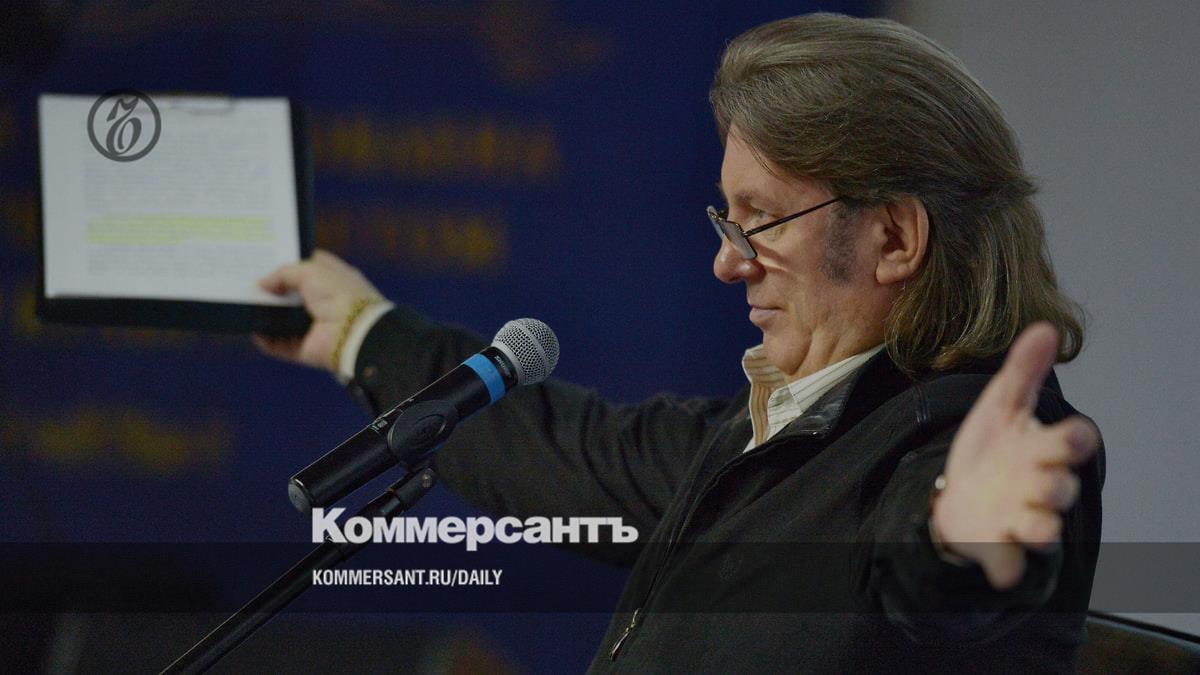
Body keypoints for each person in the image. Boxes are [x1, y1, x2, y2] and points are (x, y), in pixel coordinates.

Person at [255, 13, 1103, 673]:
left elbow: (933, 577)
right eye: (727, 219)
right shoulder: (773, 436)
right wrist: (358, 329)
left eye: (762, 219)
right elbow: (564, 453)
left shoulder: (974, 447)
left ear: (893, 237)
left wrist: (955, 539)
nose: (728, 261)